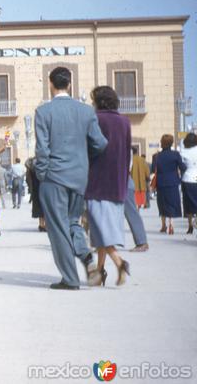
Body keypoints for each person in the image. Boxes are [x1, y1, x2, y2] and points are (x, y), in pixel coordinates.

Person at [34, 67, 107, 290]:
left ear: (50, 84)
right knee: (73, 221)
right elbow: (100, 143)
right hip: (78, 177)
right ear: (70, 84)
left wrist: (42, 173)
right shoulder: (86, 111)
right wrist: (83, 160)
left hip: (54, 177)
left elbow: (42, 149)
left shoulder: (43, 112)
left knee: (57, 228)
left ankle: (70, 278)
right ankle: (86, 258)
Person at [84, 86, 132, 287]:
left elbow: (90, 148)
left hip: (97, 179)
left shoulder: (96, 119)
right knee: (102, 226)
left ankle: (119, 262)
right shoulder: (125, 121)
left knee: (98, 225)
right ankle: (100, 272)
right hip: (118, 181)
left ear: (99, 101)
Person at [152, 134, 186, 235]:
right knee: (172, 202)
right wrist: (179, 178)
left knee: (162, 203)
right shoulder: (176, 154)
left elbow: (153, 169)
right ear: (171, 143)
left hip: (161, 182)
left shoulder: (156, 156)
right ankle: (171, 224)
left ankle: (163, 225)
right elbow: (183, 167)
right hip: (173, 182)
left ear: (161, 142)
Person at [181, 133, 197, 234]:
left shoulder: (183, 152)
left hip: (188, 178)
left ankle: (190, 225)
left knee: (188, 204)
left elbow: (182, 166)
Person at [26, 158, 45, 232]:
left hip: (35, 189)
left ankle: (41, 224)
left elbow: (28, 178)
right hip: (44, 187)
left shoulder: (31, 165)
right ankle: (45, 225)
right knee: (45, 207)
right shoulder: (44, 162)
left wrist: (30, 188)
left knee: (39, 207)